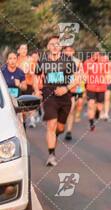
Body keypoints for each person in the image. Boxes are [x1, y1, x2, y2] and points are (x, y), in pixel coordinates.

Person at [34, 35, 80, 166]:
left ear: (61, 47)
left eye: (57, 44)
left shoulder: (67, 61)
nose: (54, 46)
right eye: (51, 44)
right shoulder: (42, 61)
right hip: (49, 94)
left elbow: (77, 78)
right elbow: (37, 76)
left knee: (60, 127)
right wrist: (37, 90)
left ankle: (56, 136)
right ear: (48, 47)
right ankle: (51, 155)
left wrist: (66, 88)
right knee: (51, 125)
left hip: (65, 96)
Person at [83, 51, 111, 132]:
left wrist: (107, 78)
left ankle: (98, 113)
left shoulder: (104, 63)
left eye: (98, 55)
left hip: (101, 87)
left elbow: (108, 73)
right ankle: (91, 123)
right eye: (95, 55)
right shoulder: (87, 63)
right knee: (91, 104)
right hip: (90, 87)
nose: (96, 56)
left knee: (99, 106)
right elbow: (84, 74)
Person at [63, 46, 84, 141]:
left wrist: (79, 80)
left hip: (72, 88)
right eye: (66, 50)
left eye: (70, 50)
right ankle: (60, 125)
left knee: (71, 110)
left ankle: (68, 131)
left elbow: (81, 74)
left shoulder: (78, 62)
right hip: (60, 87)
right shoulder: (58, 61)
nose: (68, 52)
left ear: (73, 51)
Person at [16, 44, 38, 127]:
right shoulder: (15, 60)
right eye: (22, 48)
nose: (24, 50)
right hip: (18, 87)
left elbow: (33, 75)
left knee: (27, 106)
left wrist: (36, 90)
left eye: (26, 48)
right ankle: (23, 122)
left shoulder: (30, 60)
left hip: (28, 85)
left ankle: (30, 119)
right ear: (18, 51)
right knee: (21, 109)